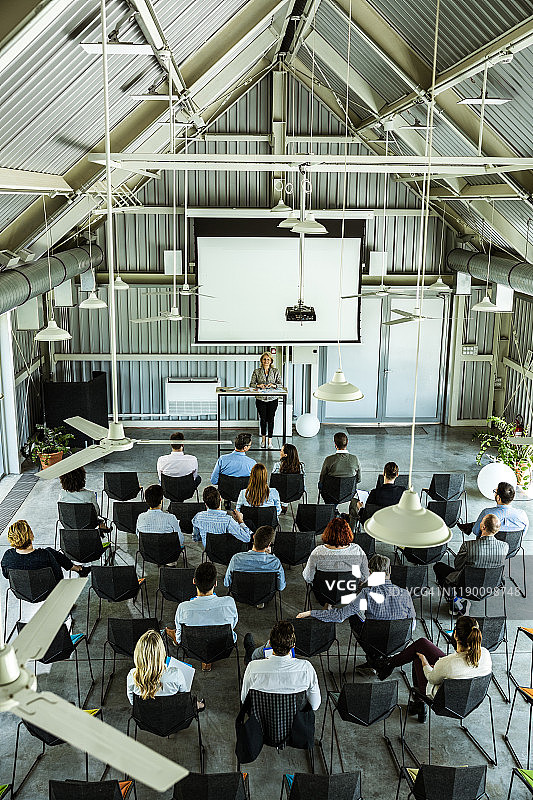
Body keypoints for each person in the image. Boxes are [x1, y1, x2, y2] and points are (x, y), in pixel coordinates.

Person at [297, 553, 416, 675]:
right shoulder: (405, 593)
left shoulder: (366, 593)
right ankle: (382, 661)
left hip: (373, 641)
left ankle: (374, 660)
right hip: (398, 642)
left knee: (354, 617)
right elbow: (412, 624)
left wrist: (311, 612)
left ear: (370, 572)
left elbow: (339, 616)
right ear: (389, 570)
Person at [376, 616, 492, 722]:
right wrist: (438, 668)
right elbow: (460, 668)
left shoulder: (448, 663)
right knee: (422, 644)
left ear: (455, 634)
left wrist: (425, 663)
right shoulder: (485, 654)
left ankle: (418, 704)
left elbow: (431, 679)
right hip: (471, 700)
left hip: (444, 702)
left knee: (418, 656)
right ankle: (389, 664)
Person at [166, 562, 238, 671]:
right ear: (215, 583)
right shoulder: (229, 603)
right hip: (222, 646)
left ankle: (172, 634)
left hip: (192, 648)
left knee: (178, 632)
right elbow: (233, 625)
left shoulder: (183, 607)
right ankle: (207, 661)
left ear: (194, 581)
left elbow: (180, 640)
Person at [433, 513, 508, 615]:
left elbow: (458, 566)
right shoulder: (504, 546)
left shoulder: (468, 546)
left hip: (465, 586)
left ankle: (454, 601)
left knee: (438, 567)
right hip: (490, 586)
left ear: (483, 527)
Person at [241, 621, 321, 711]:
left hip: (262, 718)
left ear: (270, 644)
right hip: (294, 721)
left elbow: (244, 700)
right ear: (293, 646)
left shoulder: (253, 668)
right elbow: (315, 705)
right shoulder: (306, 668)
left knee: (253, 653)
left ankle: (250, 650)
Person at [127, 629, 206, 711]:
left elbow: (133, 702)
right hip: (172, 715)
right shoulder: (176, 674)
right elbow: (184, 697)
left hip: (147, 718)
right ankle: (199, 705)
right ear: (161, 652)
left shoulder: (132, 676)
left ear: (138, 654)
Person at [1, 520, 90, 583]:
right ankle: (78, 569)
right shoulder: (44, 555)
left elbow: (6, 576)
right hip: (48, 590)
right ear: (31, 535)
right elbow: (59, 576)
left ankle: (79, 569)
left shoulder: (7, 556)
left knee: (49, 551)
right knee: (50, 552)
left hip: (22, 592)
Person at [302, 516, 369, 592]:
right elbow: (364, 577)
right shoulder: (357, 550)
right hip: (349, 592)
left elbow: (308, 577)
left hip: (323, 593)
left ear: (327, 533)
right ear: (348, 533)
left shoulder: (318, 552)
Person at [224, 525, 286, 595]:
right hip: (265, 595)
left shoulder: (236, 558)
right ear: (268, 545)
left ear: (253, 537)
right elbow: (281, 587)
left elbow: (227, 583)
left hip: (241, 594)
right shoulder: (275, 562)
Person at [458, 481, 529, 538]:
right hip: (511, 550)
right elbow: (522, 535)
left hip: (488, 549)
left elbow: (476, 532)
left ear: (498, 498)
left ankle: (470, 525)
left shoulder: (487, 513)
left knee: (483, 522)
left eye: (495, 492)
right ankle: (470, 525)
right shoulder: (522, 514)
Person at [58, 467, 110, 532]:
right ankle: (102, 526)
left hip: (69, 525)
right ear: (82, 479)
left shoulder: (62, 494)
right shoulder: (89, 494)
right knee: (100, 519)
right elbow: (96, 512)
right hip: (88, 525)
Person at [249, 352, 283, 449]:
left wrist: (273, 385)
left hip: (273, 399)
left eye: (268, 359)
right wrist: (259, 385)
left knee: (271, 419)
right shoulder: (257, 371)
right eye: (264, 359)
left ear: (271, 361)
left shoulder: (275, 371)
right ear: (261, 361)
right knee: (263, 419)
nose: (266, 361)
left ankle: (270, 441)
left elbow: (280, 384)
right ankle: (263, 440)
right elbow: (251, 384)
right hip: (260, 399)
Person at [318, 432, 361, 501]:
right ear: (347, 443)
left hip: (330, 493)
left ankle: (332, 509)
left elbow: (322, 479)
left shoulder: (329, 459)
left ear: (335, 445)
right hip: (349, 493)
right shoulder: (355, 459)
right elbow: (359, 479)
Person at [272, 443, 306, 512]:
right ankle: (285, 504)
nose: (280, 452)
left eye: (281, 451)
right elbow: (302, 480)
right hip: (295, 492)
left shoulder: (277, 465)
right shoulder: (300, 466)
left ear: (285, 455)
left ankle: (282, 504)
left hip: (280, 491)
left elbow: (273, 481)